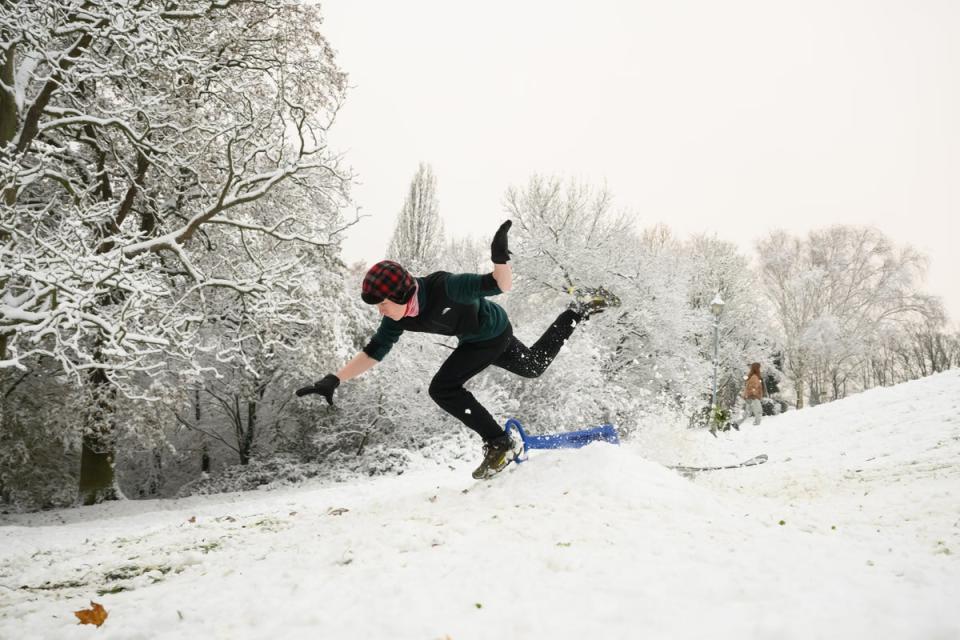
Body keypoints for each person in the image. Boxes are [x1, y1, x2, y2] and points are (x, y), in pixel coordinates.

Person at [296, 220, 620, 479]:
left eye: (382, 304)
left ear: (399, 295)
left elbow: (499, 285)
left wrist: (499, 258)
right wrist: (334, 379)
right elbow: (374, 352)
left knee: (443, 388)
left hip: (491, 334)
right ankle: (578, 310)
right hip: (479, 339)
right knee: (534, 366)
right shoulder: (398, 317)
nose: (380, 310)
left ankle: (499, 444)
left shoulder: (446, 287)